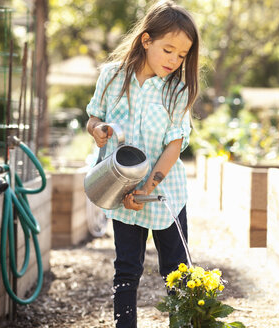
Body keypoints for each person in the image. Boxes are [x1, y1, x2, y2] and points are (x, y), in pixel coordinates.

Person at [85, 1, 199, 327]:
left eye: (182, 55)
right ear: (146, 40)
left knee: (177, 271)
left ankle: (181, 322)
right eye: (168, 50)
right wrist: (98, 130)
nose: (174, 61)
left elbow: (174, 145)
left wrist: (147, 188)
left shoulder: (177, 90)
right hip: (119, 190)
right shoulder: (111, 76)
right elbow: (93, 116)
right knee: (126, 269)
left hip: (165, 194)